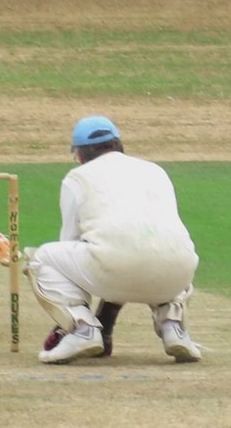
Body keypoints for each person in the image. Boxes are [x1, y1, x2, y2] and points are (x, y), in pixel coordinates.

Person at [24, 115, 202, 364]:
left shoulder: (77, 177)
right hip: (178, 274)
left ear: (80, 155)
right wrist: (107, 321)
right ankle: (173, 327)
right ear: (118, 145)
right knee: (165, 250)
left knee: (43, 258)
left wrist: (79, 318)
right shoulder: (155, 171)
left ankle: (82, 329)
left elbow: (71, 241)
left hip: (114, 266)